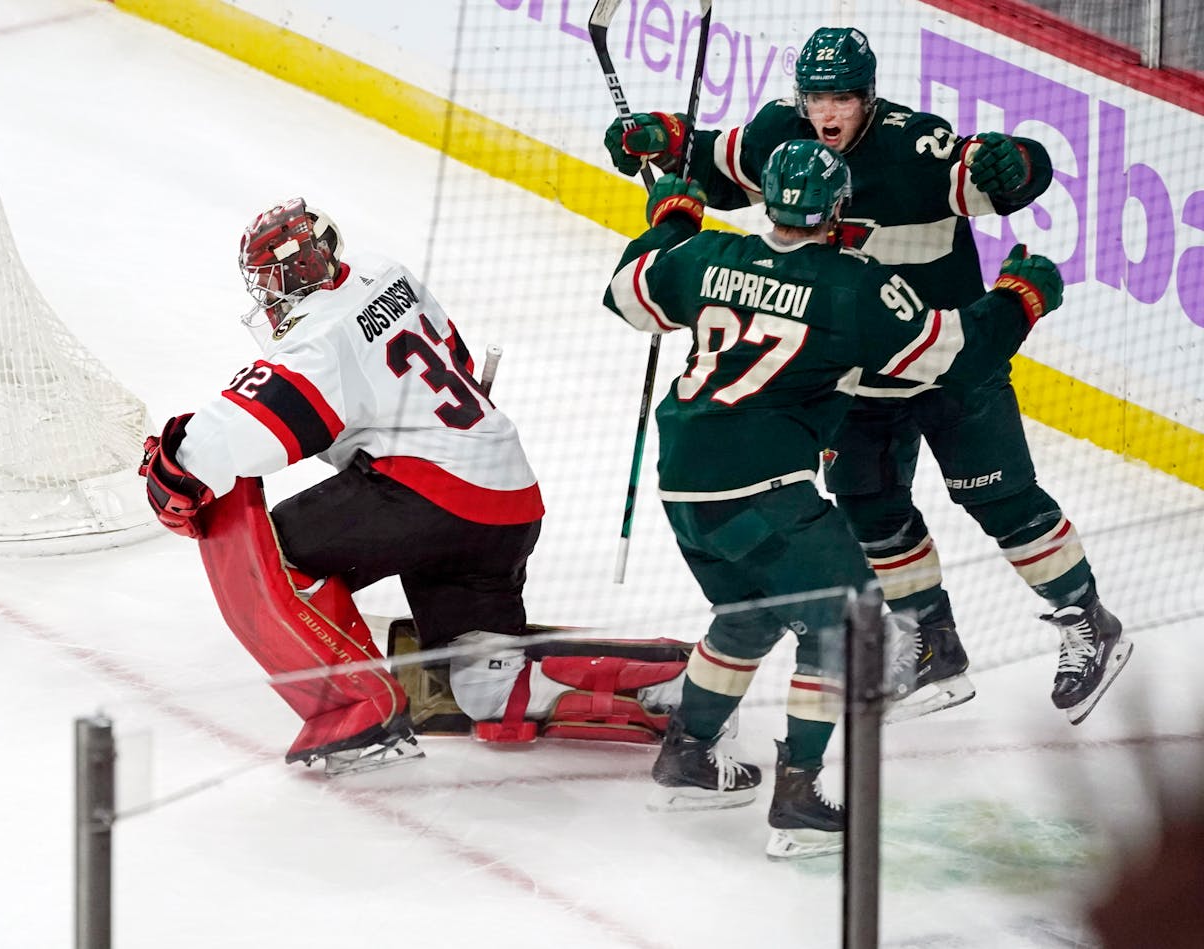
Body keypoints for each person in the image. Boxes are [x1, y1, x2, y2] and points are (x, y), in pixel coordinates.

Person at [603, 27, 1132, 727]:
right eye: (817, 95)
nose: (829, 113)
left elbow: (1003, 176)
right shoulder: (778, 140)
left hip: (947, 360)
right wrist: (659, 138)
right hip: (852, 379)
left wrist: (1022, 162)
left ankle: (1088, 620)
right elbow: (708, 163)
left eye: (844, 97)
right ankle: (932, 643)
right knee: (873, 512)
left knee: (1001, 500)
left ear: (869, 95)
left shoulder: (914, 148)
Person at [602, 139, 1065, 858]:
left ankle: (688, 758)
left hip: (684, 483)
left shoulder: (702, 256)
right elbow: (960, 353)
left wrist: (671, 219)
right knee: (846, 620)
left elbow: (626, 290)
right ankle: (799, 797)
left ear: (768, 202)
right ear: (838, 208)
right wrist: (1021, 294)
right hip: (762, 489)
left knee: (747, 616)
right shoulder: (852, 288)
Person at [140, 198, 687, 775]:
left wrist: (177, 466)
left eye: (271, 279)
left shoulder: (316, 338)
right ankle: (673, 676)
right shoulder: (386, 273)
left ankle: (360, 714)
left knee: (271, 557)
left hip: (428, 495)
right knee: (485, 683)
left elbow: (237, 438)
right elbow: (459, 358)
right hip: (508, 498)